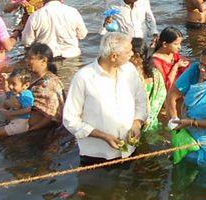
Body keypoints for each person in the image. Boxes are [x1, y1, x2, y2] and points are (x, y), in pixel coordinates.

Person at [63, 33, 148, 165]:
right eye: (128, 51)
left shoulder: (129, 70)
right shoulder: (84, 77)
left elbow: (141, 100)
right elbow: (70, 119)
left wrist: (137, 124)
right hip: (98, 154)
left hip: (129, 150)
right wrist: (103, 136)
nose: (132, 54)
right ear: (114, 56)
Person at [20, 0, 87, 58]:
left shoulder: (36, 15)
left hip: (47, 57)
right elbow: (82, 35)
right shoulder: (73, 12)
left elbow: (26, 41)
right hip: (71, 55)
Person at [22, 43, 66, 131]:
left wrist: (31, 130)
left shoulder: (49, 83)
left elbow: (51, 115)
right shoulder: (30, 77)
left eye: (30, 58)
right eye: (27, 58)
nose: (27, 61)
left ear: (43, 61)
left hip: (44, 130)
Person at [131, 37, 165, 130]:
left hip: (138, 122)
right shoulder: (155, 73)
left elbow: (160, 95)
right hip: (148, 122)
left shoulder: (154, 74)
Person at [0, 69, 35, 139]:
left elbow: (28, 109)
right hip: (14, 120)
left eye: (14, 84)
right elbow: (7, 92)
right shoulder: (15, 92)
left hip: (20, 123)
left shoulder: (26, 95)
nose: (10, 86)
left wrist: (11, 113)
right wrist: (5, 81)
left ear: (26, 85)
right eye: (9, 83)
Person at [151, 27, 189, 91]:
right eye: (176, 44)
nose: (179, 47)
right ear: (165, 44)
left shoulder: (173, 53)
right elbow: (166, 86)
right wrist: (176, 66)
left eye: (180, 43)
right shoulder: (155, 61)